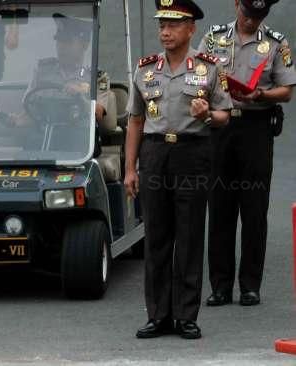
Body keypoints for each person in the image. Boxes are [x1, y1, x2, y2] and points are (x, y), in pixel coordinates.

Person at [124, 0, 232, 339]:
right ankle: (158, 315)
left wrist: (206, 115)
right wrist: (130, 168)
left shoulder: (211, 69)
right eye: (162, 24)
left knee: (188, 234)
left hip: (192, 151)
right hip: (155, 152)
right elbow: (135, 121)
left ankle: (186, 315)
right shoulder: (145, 69)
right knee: (156, 235)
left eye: (173, 24)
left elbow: (224, 115)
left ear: (191, 28)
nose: (165, 31)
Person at [198, 0, 296, 307]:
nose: (251, 21)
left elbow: (287, 90)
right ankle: (220, 285)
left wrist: (262, 94)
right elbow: (199, 74)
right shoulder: (214, 37)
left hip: (255, 128)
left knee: (254, 209)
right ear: (236, 4)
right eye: (247, 13)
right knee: (220, 207)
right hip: (220, 127)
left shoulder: (276, 43)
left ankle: (250, 285)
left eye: (258, 16)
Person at [0, 14, 114, 138]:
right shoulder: (42, 71)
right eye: (60, 41)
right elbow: (32, 111)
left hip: (81, 144)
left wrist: (80, 98)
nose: (62, 47)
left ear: (84, 45)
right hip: (44, 140)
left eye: (68, 42)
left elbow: (99, 113)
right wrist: (15, 121)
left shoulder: (99, 77)